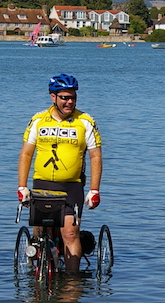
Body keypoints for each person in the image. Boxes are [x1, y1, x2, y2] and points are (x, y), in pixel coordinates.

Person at [17, 74, 102, 273]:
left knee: (70, 234)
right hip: (42, 184)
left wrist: (94, 190)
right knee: (40, 233)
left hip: (71, 187)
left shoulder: (85, 121)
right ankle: (40, 267)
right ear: (53, 97)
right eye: (64, 97)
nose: (69, 101)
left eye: (72, 97)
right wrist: (22, 186)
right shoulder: (38, 120)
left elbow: (95, 157)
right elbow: (26, 153)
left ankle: (71, 284)